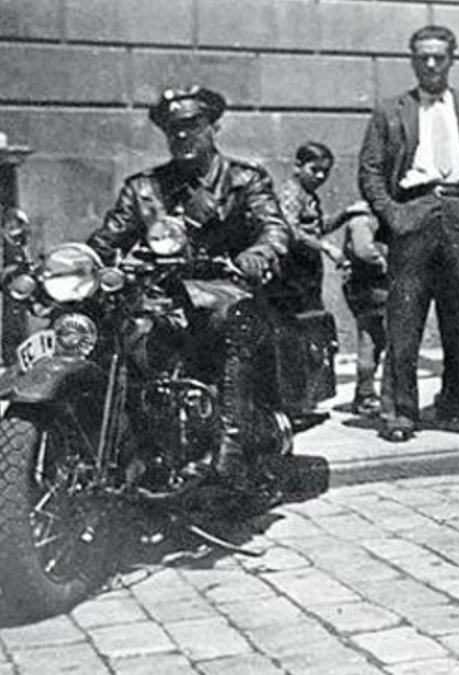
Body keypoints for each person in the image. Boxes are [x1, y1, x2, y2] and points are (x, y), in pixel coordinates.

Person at [86, 86, 289, 483]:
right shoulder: (144, 188)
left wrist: (257, 256)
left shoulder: (243, 181)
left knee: (232, 320)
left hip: (223, 289)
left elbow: (274, 230)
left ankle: (229, 452)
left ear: (214, 127)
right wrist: (78, 263)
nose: (181, 135)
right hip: (155, 295)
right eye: (172, 128)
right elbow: (107, 239)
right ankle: (118, 448)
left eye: (191, 125)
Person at [358, 25, 459, 443]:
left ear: (452, 59)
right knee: (404, 318)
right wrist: (394, 215)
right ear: (413, 60)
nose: (431, 64)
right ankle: (400, 414)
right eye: (423, 56)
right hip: (414, 211)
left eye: (439, 56)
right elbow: (369, 170)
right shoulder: (391, 110)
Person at [269, 141, 343, 313]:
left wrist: (345, 214)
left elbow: (316, 228)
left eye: (325, 171)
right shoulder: (291, 194)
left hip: (307, 270)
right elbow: (292, 231)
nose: (320, 176)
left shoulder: (308, 195)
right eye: (314, 170)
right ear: (298, 166)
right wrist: (327, 248)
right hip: (292, 269)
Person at [339, 200, 390, 416]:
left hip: (368, 286)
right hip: (371, 286)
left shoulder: (367, 216)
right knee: (372, 340)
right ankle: (367, 394)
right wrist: (385, 262)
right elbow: (363, 250)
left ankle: (365, 392)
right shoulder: (363, 218)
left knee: (374, 340)